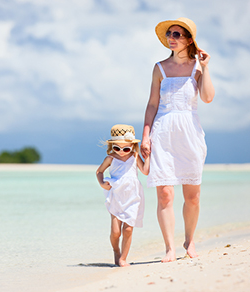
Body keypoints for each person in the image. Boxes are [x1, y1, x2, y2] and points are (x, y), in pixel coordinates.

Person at [140, 17, 215, 263]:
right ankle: (170, 248)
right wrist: (145, 136)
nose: (171, 38)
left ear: (189, 39)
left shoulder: (197, 67)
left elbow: (207, 98)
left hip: (190, 132)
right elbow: (152, 104)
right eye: (169, 34)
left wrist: (205, 68)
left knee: (192, 195)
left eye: (177, 34)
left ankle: (189, 240)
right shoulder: (159, 68)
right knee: (165, 194)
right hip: (162, 131)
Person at [96, 124, 150, 267]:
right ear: (112, 146)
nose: (121, 152)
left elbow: (145, 171)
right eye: (117, 148)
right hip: (116, 196)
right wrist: (102, 183)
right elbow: (99, 172)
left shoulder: (135, 156)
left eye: (125, 148)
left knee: (128, 229)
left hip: (133, 197)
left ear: (132, 146)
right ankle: (116, 250)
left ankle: (123, 258)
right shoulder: (111, 158)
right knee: (115, 232)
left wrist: (148, 157)